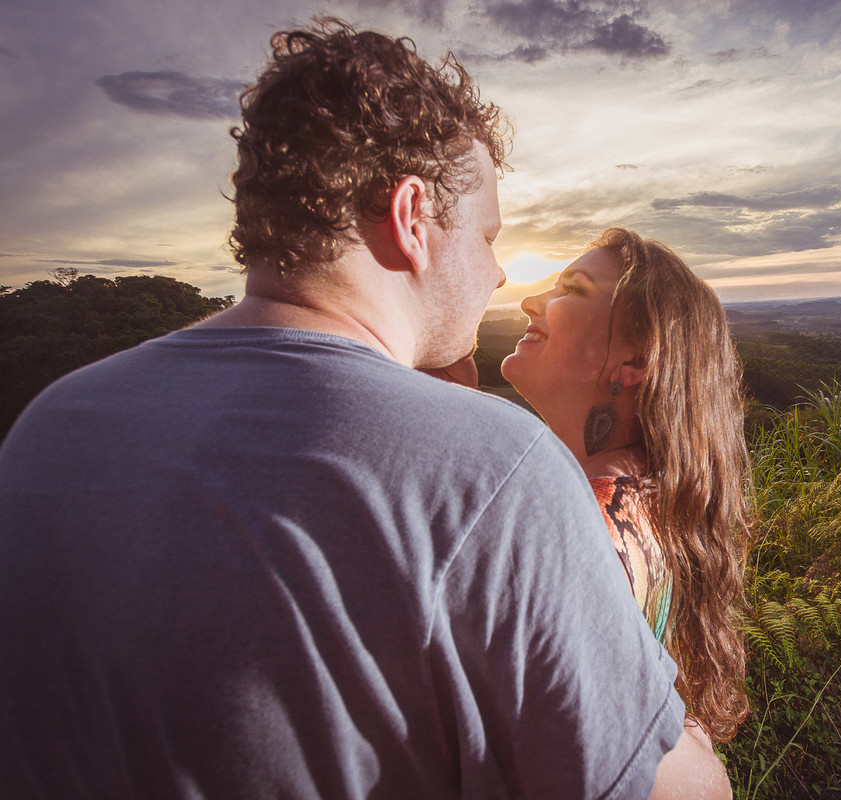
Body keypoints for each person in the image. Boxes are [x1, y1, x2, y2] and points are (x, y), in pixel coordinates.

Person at [0, 20, 730, 799]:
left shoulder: (50, 424)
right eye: (485, 235)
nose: (499, 273)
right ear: (413, 217)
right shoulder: (498, 475)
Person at [501, 228, 752, 744]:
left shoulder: (590, 527)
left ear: (635, 362)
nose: (530, 302)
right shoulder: (652, 495)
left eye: (571, 290)